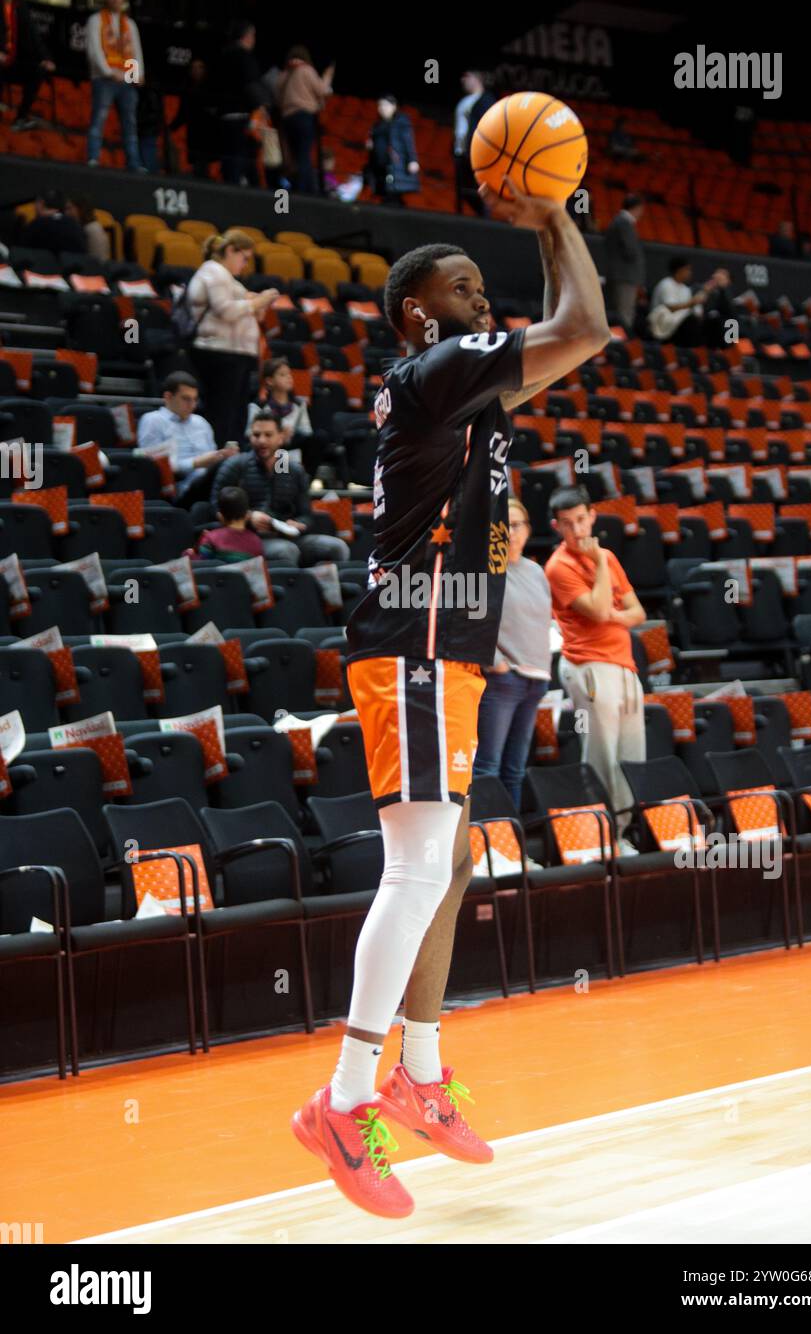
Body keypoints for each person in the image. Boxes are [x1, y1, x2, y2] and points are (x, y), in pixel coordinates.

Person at [291, 174, 609, 1218]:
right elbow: (587, 325)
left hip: (448, 645)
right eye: (468, 287)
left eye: (484, 285)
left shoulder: (458, 396)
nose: (485, 300)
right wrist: (550, 211)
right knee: (420, 862)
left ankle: (419, 1074)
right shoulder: (434, 368)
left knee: (453, 858)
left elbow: (568, 343)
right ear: (421, 313)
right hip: (416, 641)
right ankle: (342, 1103)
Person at [545, 486, 645, 843]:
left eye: (582, 520)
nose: (578, 531)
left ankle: (624, 833)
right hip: (589, 667)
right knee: (602, 756)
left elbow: (639, 613)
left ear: (593, 517)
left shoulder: (609, 556)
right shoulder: (559, 566)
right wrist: (600, 564)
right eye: (569, 524)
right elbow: (602, 611)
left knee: (631, 758)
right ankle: (602, 838)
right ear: (557, 527)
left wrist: (612, 614)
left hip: (624, 664)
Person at [473, 496, 551, 807]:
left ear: (528, 530)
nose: (510, 532)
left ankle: (512, 848)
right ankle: (486, 841)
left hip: (536, 681)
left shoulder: (536, 571)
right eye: (503, 525)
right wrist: (496, 664)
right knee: (487, 768)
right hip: (504, 682)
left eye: (516, 525)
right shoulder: (484, 570)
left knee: (515, 770)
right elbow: (469, 618)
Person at [211, 409, 349, 565]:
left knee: (337, 547)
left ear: (281, 438)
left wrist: (299, 524)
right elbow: (216, 508)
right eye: (256, 435)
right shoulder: (235, 465)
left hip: (287, 535)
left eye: (268, 435)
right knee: (286, 550)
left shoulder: (294, 470)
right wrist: (248, 516)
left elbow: (306, 515)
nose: (262, 440)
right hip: (247, 536)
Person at [186, 229, 279, 445]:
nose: (245, 264)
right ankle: (218, 461)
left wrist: (257, 304)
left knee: (235, 417)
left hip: (235, 354)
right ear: (230, 250)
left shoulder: (228, 279)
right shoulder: (213, 271)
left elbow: (248, 309)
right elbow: (225, 310)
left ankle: (230, 459)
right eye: (243, 258)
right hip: (219, 353)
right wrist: (258, 302)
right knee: (223, 416)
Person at [137, 370, 239, 502]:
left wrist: (223, 457)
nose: (192, 405)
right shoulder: (153, 420)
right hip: (179, 487)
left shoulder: (201, 423)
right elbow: (152, 466)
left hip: (208, 481)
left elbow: (212, 458)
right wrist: (195, 463)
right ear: (168, 397)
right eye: (186, 399)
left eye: (195, 399)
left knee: (239, 465)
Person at [85, 0, 145, 171]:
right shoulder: (96, 20)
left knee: (130, 122)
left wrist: (137, 75)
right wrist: (109, 72)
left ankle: (133, 162)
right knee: (99, 118)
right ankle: (93, 157)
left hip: (126, 80)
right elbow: (94, 51)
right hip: (105, 79)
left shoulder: (129, 24)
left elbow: (135, 51)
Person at [216, 21, 270, 186]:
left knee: (229, 160)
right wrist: (262, 107)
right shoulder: (245, 57)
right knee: (243, 160)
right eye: (253, 35)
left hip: (223, 115)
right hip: (241, 118)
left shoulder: (222, 55)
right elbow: (250, 85)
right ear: (247, 36)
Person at [0, 0, 55, 131]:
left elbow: (34, 35)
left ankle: (21, 117)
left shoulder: (21, 7)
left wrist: (46, 58)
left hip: (14, 61)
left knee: (37, 71)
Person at [275, 45, 334, 195]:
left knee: (294, 158)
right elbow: (322, 90)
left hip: (287, 120)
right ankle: (304, 194)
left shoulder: (284, 74)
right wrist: (328, 77)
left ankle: (302, 190)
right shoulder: (306, 70)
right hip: (303, 117)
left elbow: (278, 99)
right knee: (303, 156)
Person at [246, 357, 313, 460]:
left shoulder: (299, 405)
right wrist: (277, 435)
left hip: (292, 450)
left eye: (289, 374)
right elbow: (249, 433)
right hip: (267, 450)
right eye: (282, 375)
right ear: (270, 381)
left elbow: (307, 432)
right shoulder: (258, 406)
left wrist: (290, 435)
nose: (289, 378)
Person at [648, 259, 727, 346]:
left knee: (712, 322)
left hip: (681, 324)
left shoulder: (685, 289)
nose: (690, 272)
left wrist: (705, 293)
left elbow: (695, 310)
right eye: (687, 270)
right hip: (663, 324)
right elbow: (671, 307)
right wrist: (692, 303)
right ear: (679, 270)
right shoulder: (666, 284)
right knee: (691, 323)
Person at [453, 69, 495, 215]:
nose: (463, 80)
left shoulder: (486, 100)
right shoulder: (464, 101)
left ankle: (484, 218)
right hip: (461, 151)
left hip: (477, 152)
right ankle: (478, 216)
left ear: (477, 79)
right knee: (462, 189)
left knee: (478, 189)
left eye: (467, 77)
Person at [366, 95, 420, 206]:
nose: (382, 108)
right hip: (380, 166)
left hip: (396, 165)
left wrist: (412, 160)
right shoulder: (376, 126)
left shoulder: (402, 121)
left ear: (394, 106)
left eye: (385, 104)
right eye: (380, 105)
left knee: (393, 194)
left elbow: (408, 141)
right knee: (385, 193)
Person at [603, 193, 645, 334]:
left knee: (619, 313)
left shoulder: (618, 221)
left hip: (619, 275)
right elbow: (630, 250)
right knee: (624, 315)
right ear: (637, 208)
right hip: (624, 277)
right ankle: (622, 345)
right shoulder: (623, 223)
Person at [169, 58, 218, 179]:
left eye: (200, 67)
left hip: (209, 135)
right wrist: (169, 128)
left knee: (205, 166)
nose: (196, 71)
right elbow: (183, 114)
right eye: (193, 68)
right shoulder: (186, 88)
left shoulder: (212, 89)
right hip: (194, 136)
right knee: (198, 166)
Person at [197, 487, 264, 561]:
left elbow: (202, 566)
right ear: (248, 515)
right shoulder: (256, 541)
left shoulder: (210, 538)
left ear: (220, 517)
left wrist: (189, 554)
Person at [20, 189, 85, 255]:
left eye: (35, 203)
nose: (34, 206)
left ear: (41, 203)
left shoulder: (36, 225)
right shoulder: (74, 223)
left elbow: (22, 252)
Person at [66, 196, 110, 262]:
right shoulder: (91, 226)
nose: (66, 212)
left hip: (93, 268)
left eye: (69, 208)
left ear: (80, 209)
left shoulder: (90, 229)